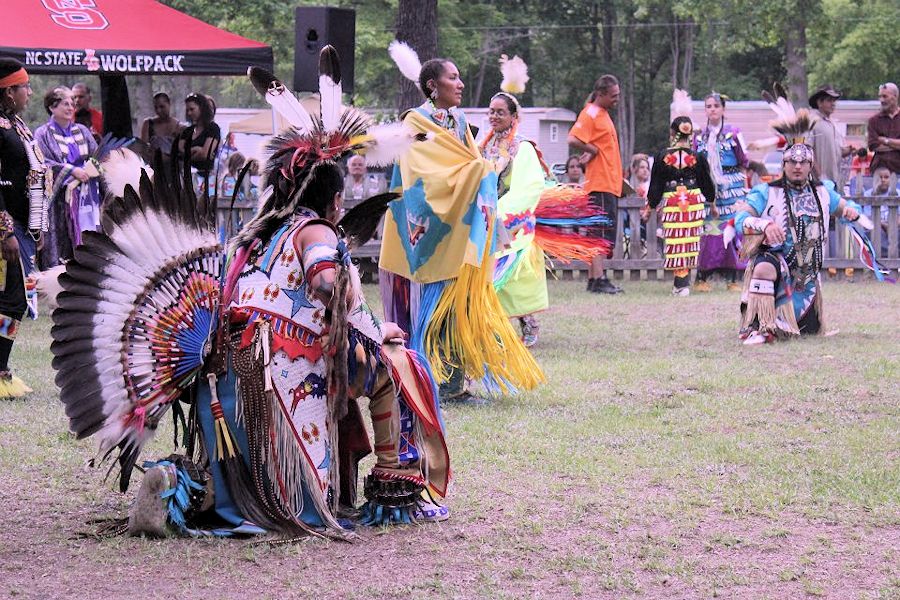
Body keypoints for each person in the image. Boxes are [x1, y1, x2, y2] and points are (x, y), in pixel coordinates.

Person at [51, 49, 451, 537]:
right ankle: (397, 494)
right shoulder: (317, 231)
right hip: (280, 375)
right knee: (399, 365)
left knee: (239, 494)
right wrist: (352, 312)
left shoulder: (260, 233)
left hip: (226, 375)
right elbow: (325, 281)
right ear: (331, 195)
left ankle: (179, 485)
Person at [380, 41, 543, 405]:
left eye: (459, 77)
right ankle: (427, 379)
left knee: (455, 308)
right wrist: (474, 173)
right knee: (432, 307)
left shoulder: (460, 121)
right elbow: (419, 175)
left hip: (459, 223)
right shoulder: (416, 122)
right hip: (428, 229)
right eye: (453, 77)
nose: (461, 83)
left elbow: (470, 162)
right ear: (433, 85)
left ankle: (452, 384)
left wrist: (478, 174)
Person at [734, 103, 863, 345]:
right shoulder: (767, 191)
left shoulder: (824, 192)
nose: (797, 166)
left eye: (803, 162)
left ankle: (793, 321)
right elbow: (740, 220)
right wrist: (764, 226)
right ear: (783, 164)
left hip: (806, 277)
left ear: (810, 165)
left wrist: (851, 212)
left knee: (806, 332)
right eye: (792, 161)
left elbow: (847, 207)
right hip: (777, 263)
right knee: (764, 266)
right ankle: (760, 326)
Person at [480, 89, 550, 347]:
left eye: (500, 112)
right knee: (488, 276)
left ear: (513, 116)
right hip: (485, 217)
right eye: (491, 111)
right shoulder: (483, 145)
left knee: (511, 274)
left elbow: (530, 185)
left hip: (513, 221)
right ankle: (493, 327)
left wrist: (503, 211)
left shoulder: (522, 148)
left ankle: (527, 322)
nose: (494, 116)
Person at [0, 58, 49, 397]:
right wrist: (4, 231)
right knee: (12, 300)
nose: (29, 92)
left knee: (12, 300)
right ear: (8, 90)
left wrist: (37, 225)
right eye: (24, 87)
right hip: (6, 228)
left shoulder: (15, 125)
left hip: (22, 226)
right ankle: (0, 370)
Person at [646, 115, 716, 296]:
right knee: (689, 240)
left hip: (673, 202)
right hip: (693, 202)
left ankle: (681, 284)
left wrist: (651, 206)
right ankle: (682, 283)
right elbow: (707, 183)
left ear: (672, 133)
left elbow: (656, 184)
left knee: (676, 240)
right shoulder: (698, 156)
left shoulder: (662, 156)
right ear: (690, 133)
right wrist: (712, 202)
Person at [567, 74, 624, 294]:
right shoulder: (590, 112)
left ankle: (593, 279)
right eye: (613, 96)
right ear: (600, 94)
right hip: (599, 182)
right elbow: (572, 139)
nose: (616, 99)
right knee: (599, 233)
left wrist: (592, 150)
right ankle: (599, 279)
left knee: (597, 232)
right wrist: (592, 150)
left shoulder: (603, 114)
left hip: (608, 181)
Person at [34, 86, 100, 268]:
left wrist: (92, 169)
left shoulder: (83, 131)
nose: (71, 107)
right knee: (61, 241)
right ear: (52, 107)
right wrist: (71, 171)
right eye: (65, 103)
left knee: (87, 236)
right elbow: (41, 163)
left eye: (72, 103)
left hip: (86, 197)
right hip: (58, 202)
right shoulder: (42, 134)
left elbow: (98, 156)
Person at [692, 92, 749, 292]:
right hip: (708, 189)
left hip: (732, 188)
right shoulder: (699, 136)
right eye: (708, 106)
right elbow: (694, 163)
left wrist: (744, 187)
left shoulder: (734, 132)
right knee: (710, 232)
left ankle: (732, 278)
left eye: (716, 105)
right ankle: (702, 277)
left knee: (732, 231)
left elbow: (744, 161)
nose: (712, 109)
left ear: (723, 109)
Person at [808, 85, 855, 187]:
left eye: (834, 101)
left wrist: (848, 150)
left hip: (833, 179)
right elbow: (808, 151)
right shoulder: (812, 121)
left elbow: (837, 151)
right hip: (817, 182)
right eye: (829, 101)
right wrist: (820, 176)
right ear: (819, 102)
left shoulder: (832, 124)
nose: (833, 104)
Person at [178, 92, 220, 194]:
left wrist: (187, 154)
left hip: (206, 181)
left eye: (192, 109)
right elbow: (178, 152)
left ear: (201, 108)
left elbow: (204, 154)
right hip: (186, 179)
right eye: (187, 110)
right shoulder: (187, 131)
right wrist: (196, 150)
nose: (189, 113)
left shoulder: (212, 128)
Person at [867, 83, 900, 176]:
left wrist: (885, 140)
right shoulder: (874, 120)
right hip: (880, 172)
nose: (881, 100)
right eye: (880, 97)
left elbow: (880, 143)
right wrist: (896, 145)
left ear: (895, 96)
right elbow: (873, 146)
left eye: (885, 96)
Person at [140, 92, 181, 164]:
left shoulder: (178, 126)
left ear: (169, 104)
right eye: (156, 107)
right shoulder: (148, 124)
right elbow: (143, 149)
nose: (158, 110)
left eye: (162, 107)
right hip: (153, 166)